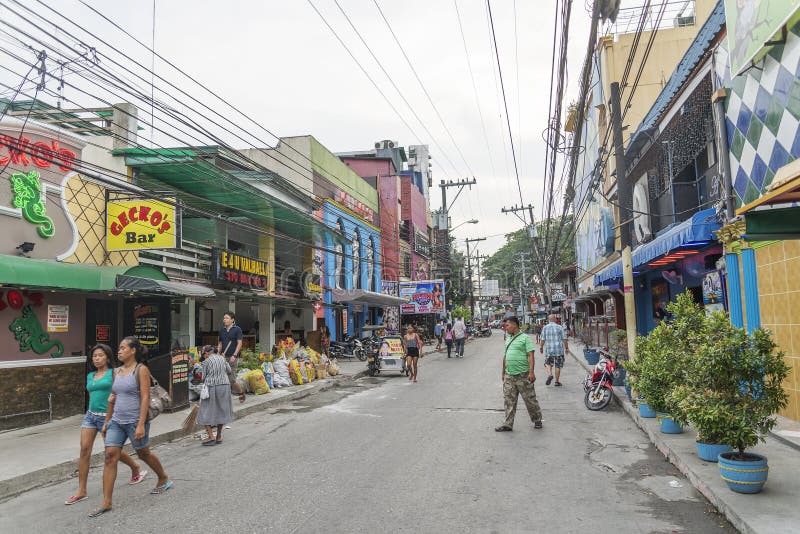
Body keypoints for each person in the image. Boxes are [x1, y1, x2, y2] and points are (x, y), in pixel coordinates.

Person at [90, 337, 172, 517]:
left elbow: (144, 397)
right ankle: (106, 502)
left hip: (135, 421)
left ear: (133, 351)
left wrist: (141, 424)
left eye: (122, 348)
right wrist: (106, 422)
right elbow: (112, 397)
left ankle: (163, 477)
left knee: (143, 453)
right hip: (117, 421)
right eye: (118, 348)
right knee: (110, 456)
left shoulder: (140, 370)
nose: (118, 351)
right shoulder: (116, 371)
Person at [65, 344, 146, 506]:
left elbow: (118, 393)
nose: (97, 359)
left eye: (100, 355)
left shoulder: (114, 373)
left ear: (108, 358)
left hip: (108, 417)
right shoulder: (90, 375)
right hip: (90, 416)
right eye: (94, 356)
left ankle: (135, 466)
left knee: (112, 451)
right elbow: (92, 395)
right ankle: (81, 490)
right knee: (84, 450)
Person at [495, 316, 543, 432]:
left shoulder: (525, 338)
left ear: (514, 325)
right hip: (509, 375)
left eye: (507, 325)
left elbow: (530, 355)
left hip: (523, 374)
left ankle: (537, 419)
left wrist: (531, 372)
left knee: (530, 399)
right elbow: (505, 356)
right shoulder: (508, 339)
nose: (505, 328)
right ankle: (508, 424)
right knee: (508, 400)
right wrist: (503, 372)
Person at [197, 345, 233, 446]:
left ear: (208, 353)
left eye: (204, 354)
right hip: (224, 386)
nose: (204, 356)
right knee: (221, 410)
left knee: (204, 410)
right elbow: (229, 371)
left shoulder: (206, 362)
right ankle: (218, 436)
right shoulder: (222, 358)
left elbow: (203, 378)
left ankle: (210, 436)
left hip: (211, 386)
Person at [218, 311, 246, 403]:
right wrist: (218, 354)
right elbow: (220, 344)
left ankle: (241, 392)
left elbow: (239, 343)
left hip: (232, 358)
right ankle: (225, 399)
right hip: (223, 357)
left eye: (226, 318)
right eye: (224, 318)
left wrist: (234, 355)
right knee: (222, 378)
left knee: (231, 379)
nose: (224, 320)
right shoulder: (222, 330)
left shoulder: (237, 329)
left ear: (232, 320)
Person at [540, 314, 569, 387]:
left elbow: (542, 339)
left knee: (547, 363)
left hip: (549, 350)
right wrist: (566, 348)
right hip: (559, 350)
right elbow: (564, 339)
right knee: (558, 366)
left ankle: (550, 374)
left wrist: (541, 347)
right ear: (555, 319)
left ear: (548, 320)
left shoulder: (545, 328)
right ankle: (556, 382)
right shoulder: (560, 327)